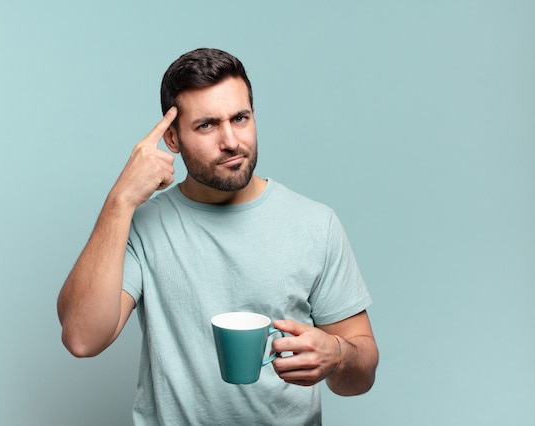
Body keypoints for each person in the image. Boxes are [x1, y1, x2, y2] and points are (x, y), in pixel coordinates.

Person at [57, 48, 378, 425]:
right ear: (172, 140)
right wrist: (120, 200)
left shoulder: (315, 223)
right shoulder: (143, 225)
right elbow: (82, 339)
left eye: (240, 118)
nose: (230, 141)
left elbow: (361, 375)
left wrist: (338, 354)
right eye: (207, 125)